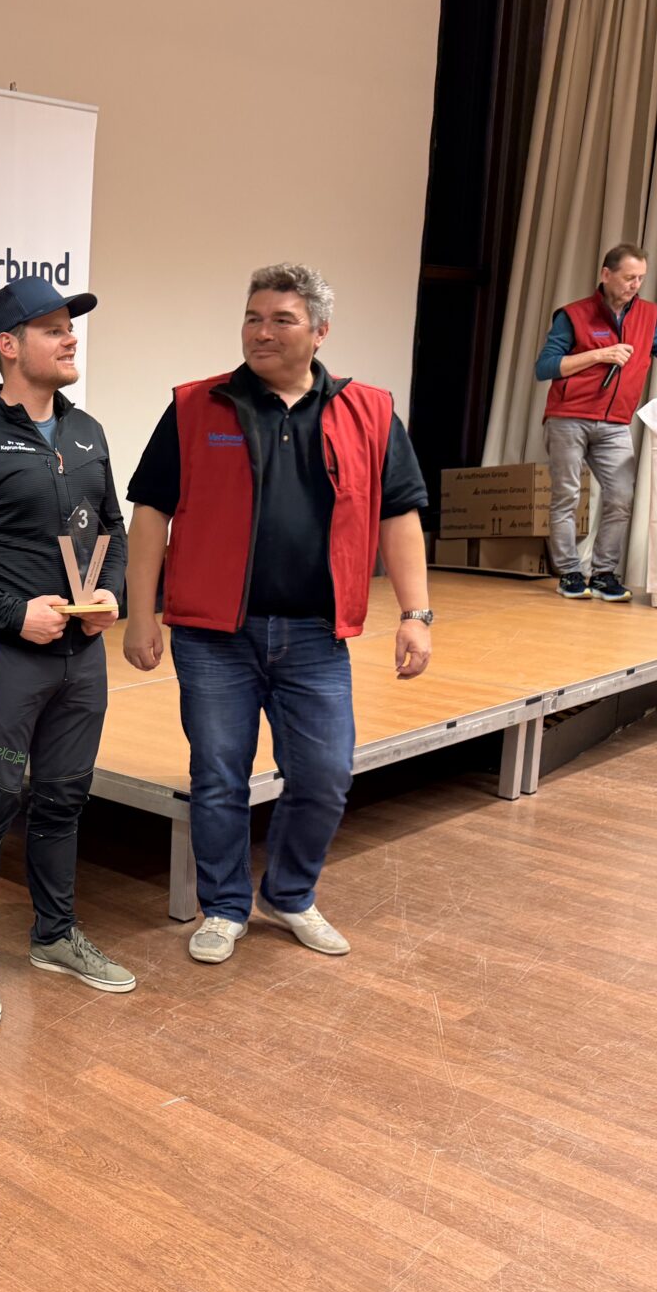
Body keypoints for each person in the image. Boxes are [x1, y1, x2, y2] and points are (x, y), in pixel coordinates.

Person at [123, 263, 432, 965]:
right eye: (253, 318)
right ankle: (224, 906)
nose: (262, 332)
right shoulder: (197, 406)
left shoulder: (371, 411)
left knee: (325, 775)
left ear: (320, 332)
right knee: (218, 777)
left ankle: (289, 894)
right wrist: (143, 614)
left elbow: (399, 516)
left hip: (316, 635)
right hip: (213, 636)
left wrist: (417, 613)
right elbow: (150, 515)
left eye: (281, 320)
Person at [0, 275, 131, 1027]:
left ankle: (55, 935)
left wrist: (111, 595)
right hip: (3, 657)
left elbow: (113, 528)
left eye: (70, 326)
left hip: (82, 655)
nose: (71, 337)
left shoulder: (88, 432)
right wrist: (14, 615)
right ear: (8, 346)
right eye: (52, 328)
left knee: (65, 796)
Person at [534, 242, 657, 602]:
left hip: (615, 424)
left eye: (640, 278)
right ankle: (570, 572)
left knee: (621, 496)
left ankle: (603, 574)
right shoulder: (573, 315)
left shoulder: (648, 316)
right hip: (569, 418)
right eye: (628, 277)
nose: (635, 285)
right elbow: (545, 367)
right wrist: (599, 355)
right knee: (567, 496)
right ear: (606, 274)